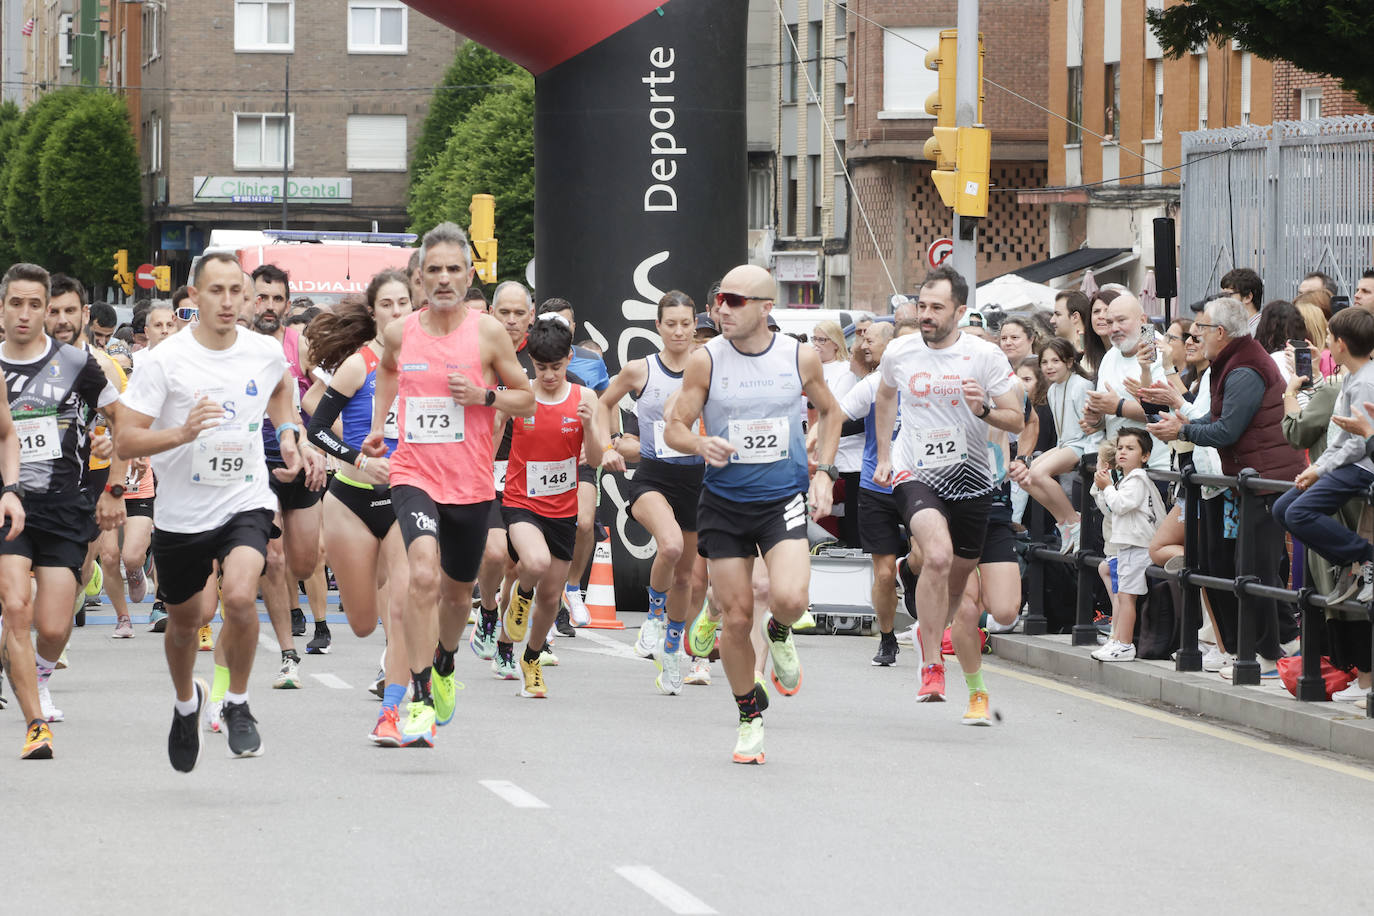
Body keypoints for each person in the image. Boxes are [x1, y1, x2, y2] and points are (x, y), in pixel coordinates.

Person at [117, 251, 307, 770]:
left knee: (243, 594)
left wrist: (289, 435)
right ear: (194, 298)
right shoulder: (165, 361)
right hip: (181, 512)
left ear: (245, 297)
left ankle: (238, 702)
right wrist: (181, 433)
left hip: (244, 497)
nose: (227, 301)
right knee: (184, 623)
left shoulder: (263, 353)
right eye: (215, 291)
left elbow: (282, 390)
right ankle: (185, 705)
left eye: (235, 291)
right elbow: (126, 436)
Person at [361, 221, 535, 747]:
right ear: (418, 277)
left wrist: (483, 398)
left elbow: (525, 397)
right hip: (414, 475)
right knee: (420, 575)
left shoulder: (487, 333)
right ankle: (416, 696)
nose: (442, 279)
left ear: (469, 274)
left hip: (472, 484)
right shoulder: (401, 331)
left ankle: (444, 661)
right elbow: (388, 371)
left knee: (457, 597)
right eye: (432, 270)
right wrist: (377, 424)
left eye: (453, 269)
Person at [663, 263, 840, 765]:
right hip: (723, 504)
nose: (722, 308)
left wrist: (823, 471)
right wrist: (699, 441)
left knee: (788, 597)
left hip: (781, 497)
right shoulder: (706, 360)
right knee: (737, 619)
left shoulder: (798, 356)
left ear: (766, 308)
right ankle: (749, 717)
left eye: (735, 301)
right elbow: (674, 427)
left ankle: (781, 632)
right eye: (720, 299)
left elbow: (832, 412)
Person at [872, 264, 1024, 724]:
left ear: (959, 311)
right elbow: (884, 396)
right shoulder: (899, 351)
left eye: (937, 307)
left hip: (973, 481)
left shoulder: (985, 356)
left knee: (957, 588)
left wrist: (983, 410)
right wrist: (884, 455)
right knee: (935, 555)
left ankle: (929, 632)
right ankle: (933, 666)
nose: (927, 315)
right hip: (915, 470)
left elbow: (1015, 418)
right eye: (922, 305)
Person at [1147, 296, 1305, 675]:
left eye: (1200, 328)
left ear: (1220, 332)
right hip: (1251, 481)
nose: (1193, 334)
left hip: (1267, 482)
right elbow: (1218, 420)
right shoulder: (1231, 362)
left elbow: (1226, 429)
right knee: (1244, 566)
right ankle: (1260, 649)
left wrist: (1180, 428)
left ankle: (1268, 655)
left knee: (1257, 569)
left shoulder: (1244, 368)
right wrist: (1181, 413)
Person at [0, 263, 119, 758]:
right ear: (2, 307)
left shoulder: (75, 363)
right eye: (16, 303)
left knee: (52, 626)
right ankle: (35, 726)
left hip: (65, 506)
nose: (26, 314)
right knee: (15, 606)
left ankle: (34, 667)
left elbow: (121, 418)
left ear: (47, 310)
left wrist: (115, 476)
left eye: (36, 305)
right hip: (9, 506)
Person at [303, 274, 414, 745]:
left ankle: (392, 710)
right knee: (365, 621)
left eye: (403, 302)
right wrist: (359, 460)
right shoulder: (358, 364)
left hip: (407, 494)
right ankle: (385, 644)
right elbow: (318, 430)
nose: (396, 311)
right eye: (386, 304)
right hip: (350, 498)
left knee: (403, 602)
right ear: (373, 313)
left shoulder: (428, 363)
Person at [498, 313, 608, 698]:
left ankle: (531, 657)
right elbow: (492, 436)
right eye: (541, 367)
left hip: (562, 507)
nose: (548, 375)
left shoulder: (586, 398)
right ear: (531, 363)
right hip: (520, 502)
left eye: (557, 367)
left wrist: (592, 426)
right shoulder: (521, 395)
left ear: (569, 362)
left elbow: (593, 459)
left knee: (551, 596)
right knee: (535, 563)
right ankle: (518, 598)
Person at [599, 291, 704, 693]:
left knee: (687, 579)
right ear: (657, 327)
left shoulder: (706, 370)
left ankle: (674, 652)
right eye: (670, 323)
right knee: (671, 546)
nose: (678, 331)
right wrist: (610, 444)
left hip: (696, 481)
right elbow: (603, 400)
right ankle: (654, 616)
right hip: (652, 477)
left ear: (695, 325)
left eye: (685, 323)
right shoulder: (640, 370)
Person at [250, 264, 328, 685]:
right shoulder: (238, 345)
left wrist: (316, 445)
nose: (269, 306)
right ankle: (288, 653)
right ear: (249, 299)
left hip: (298, 455)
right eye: (261, 297)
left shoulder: (300, 345)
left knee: (305, 560)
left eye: (277, 299)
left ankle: (298, 613)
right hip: (251, 459)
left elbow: (329, 398)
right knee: (273, 559)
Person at [1277, 307, 1374, 602]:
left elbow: (1359, 443)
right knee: (1283, 510)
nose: (1326, 343)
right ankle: (1350, 564)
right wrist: (1318, 466)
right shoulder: (1351, 378)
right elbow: (1342, 437)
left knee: (1298, 512)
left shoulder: (1366, 382)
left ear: (1341, 343)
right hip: (1346, 462)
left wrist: (1320, 469)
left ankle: (1365, 558)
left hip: (1361, 466)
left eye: (1329, 337)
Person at [535, 298, 610, 631]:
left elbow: (607, 405)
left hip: (578, 455)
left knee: (583, 523)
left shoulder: (592, 364)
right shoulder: (526, 362)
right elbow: (503, 398)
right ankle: (536, 599)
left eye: (565, 325)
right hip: (536, 459)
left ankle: (573, 587)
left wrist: (604, 440)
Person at [835, 321, 906, 665]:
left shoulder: (926, 385)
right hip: (875, 484)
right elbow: (836, 416)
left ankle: (912, 568)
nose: (864, 345)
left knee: (925, 557)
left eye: (870, 340)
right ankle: (888, 636)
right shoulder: (872, 384)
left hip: (917, 483)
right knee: (883, 573)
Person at [1090, 429, 1166, 662]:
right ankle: (1118, 639)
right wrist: (1105, 487)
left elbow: (1122, 504)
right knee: (1123, 595)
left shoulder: (1137, 479)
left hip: (1138, 546)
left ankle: (1124, 644)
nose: (1123, 452)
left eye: (1130, 448)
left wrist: (1107, 487)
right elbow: (1112, 508)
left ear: (1145, 456)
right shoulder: (1126, 479)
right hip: (1128, 545)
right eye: (1121, 447)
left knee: (1127, 596)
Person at [1220, 267, 1264, 335]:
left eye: (1227, 295)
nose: (1222, 300)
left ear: (1247, 297)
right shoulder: (1241, 328)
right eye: (1221, 296)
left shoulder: (1259, 331)